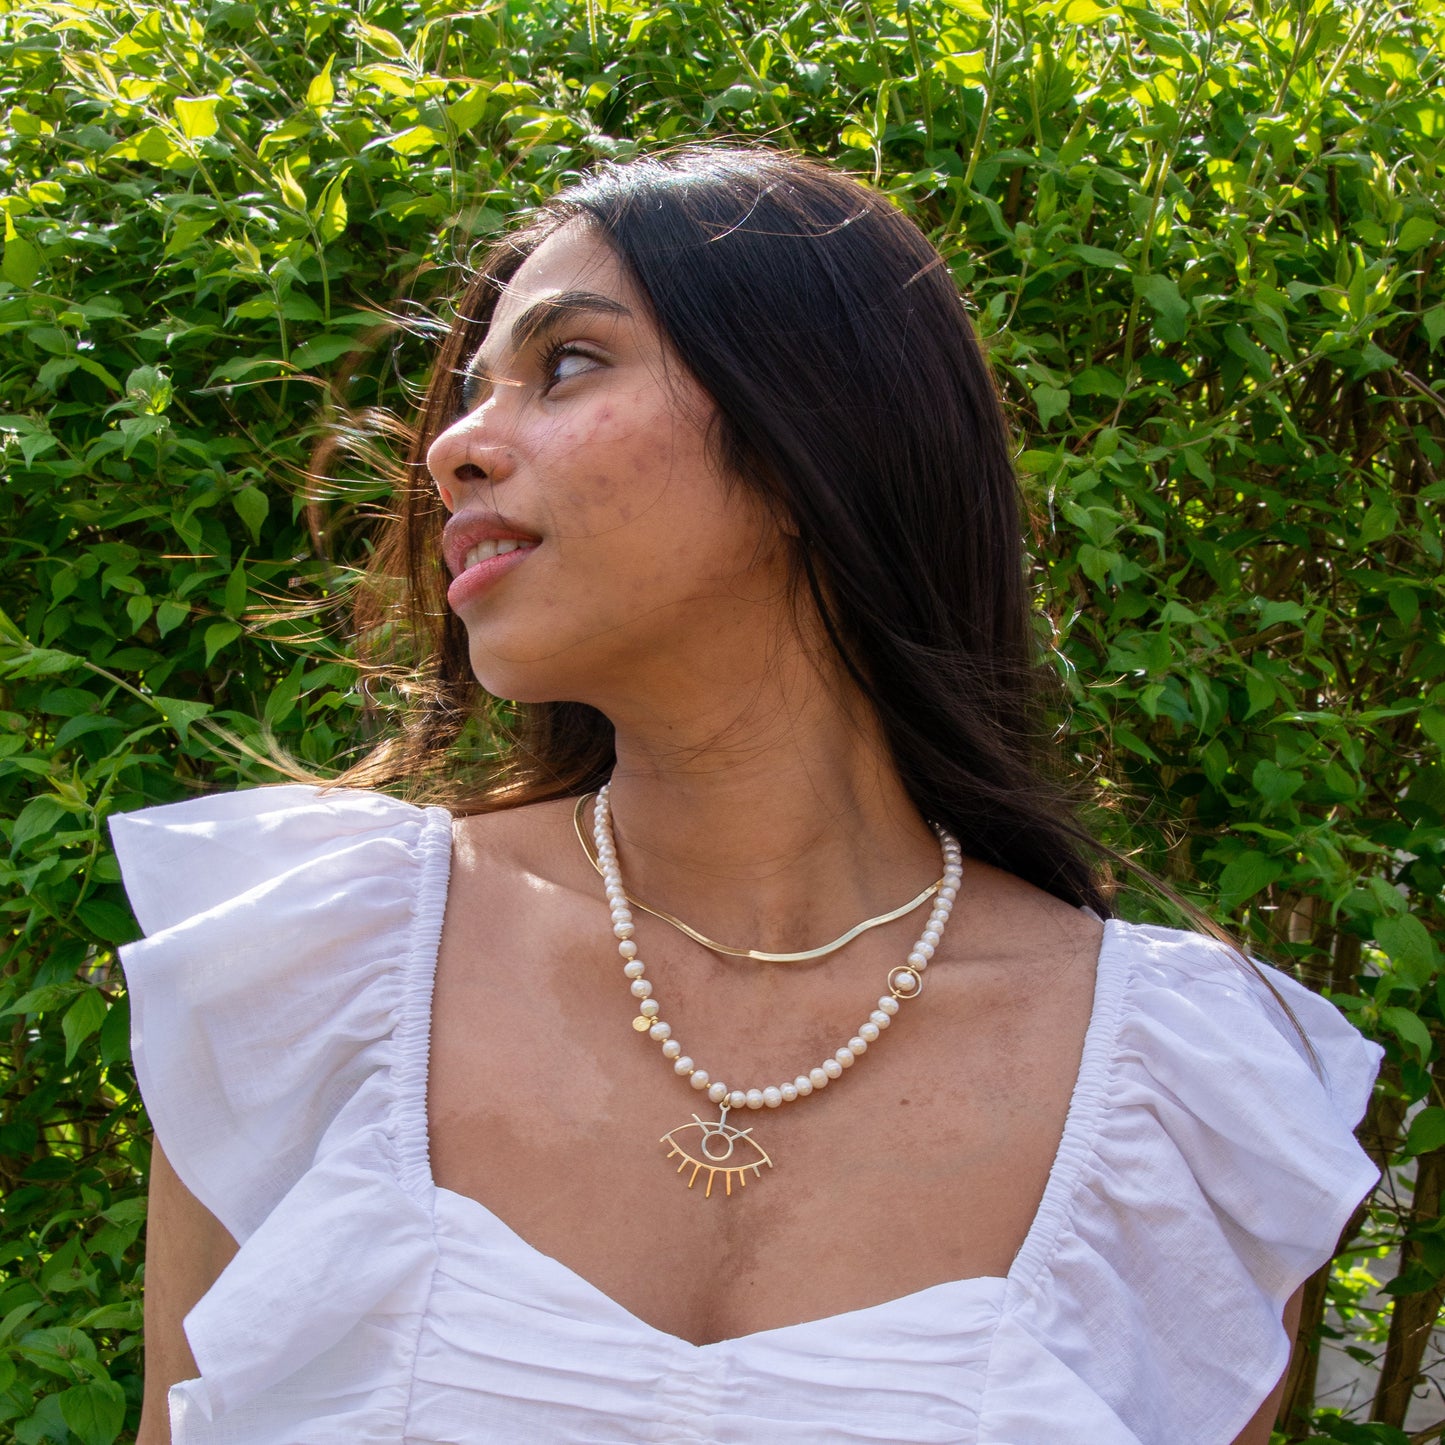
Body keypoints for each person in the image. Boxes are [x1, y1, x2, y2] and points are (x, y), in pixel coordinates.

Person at [111, 145, 1381, 1445]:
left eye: (567, 365)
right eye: (469, 391)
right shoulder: (318, 973)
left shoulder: (1172, 1105)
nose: (451, 446)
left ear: (813, 428)